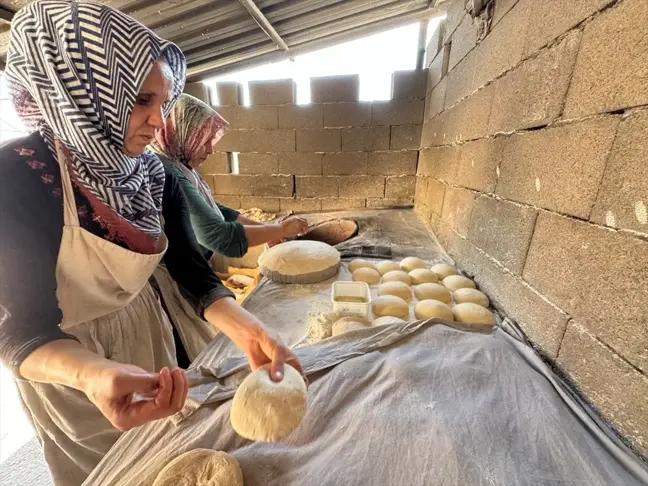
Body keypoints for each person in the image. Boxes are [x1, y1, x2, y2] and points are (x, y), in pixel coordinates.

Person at [0, 2, 301, 485]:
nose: (159, 122)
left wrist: (246, 328)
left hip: (147, 327)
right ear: (81, 89)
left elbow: (189, 269)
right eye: (141, 100)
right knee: (113, 471)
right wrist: (93, 377)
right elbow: (21, 331)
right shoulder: (17, 177)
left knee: (175, 450)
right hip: (68, 364)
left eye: (163, 102)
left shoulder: (153, 174)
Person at [148, 93, 309, 361]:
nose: (210, 150)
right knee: (191, 356)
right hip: (178, 284)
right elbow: (219, 237)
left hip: (193, 278)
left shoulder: (180, 165)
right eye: (204, 140)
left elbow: (219, 211)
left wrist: (267, 230)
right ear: (182, 133)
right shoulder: (167, 171)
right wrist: (280, 229)